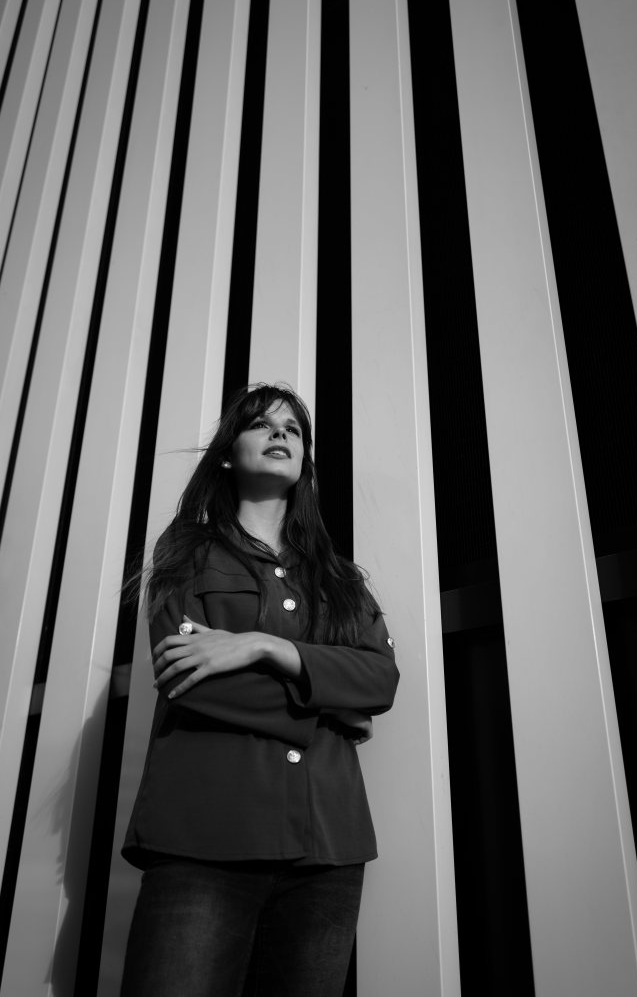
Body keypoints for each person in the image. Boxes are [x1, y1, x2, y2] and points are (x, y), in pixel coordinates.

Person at [120, 383, 399, 997]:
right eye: (262, 425)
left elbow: (381, 679)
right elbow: (189, 679)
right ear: (227, 454)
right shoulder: (186, 553)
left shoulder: (340, 579)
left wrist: (266, 647)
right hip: (205, 839)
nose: (280, 434)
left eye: (292, 430)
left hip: (328, 849)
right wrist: (333, 707)